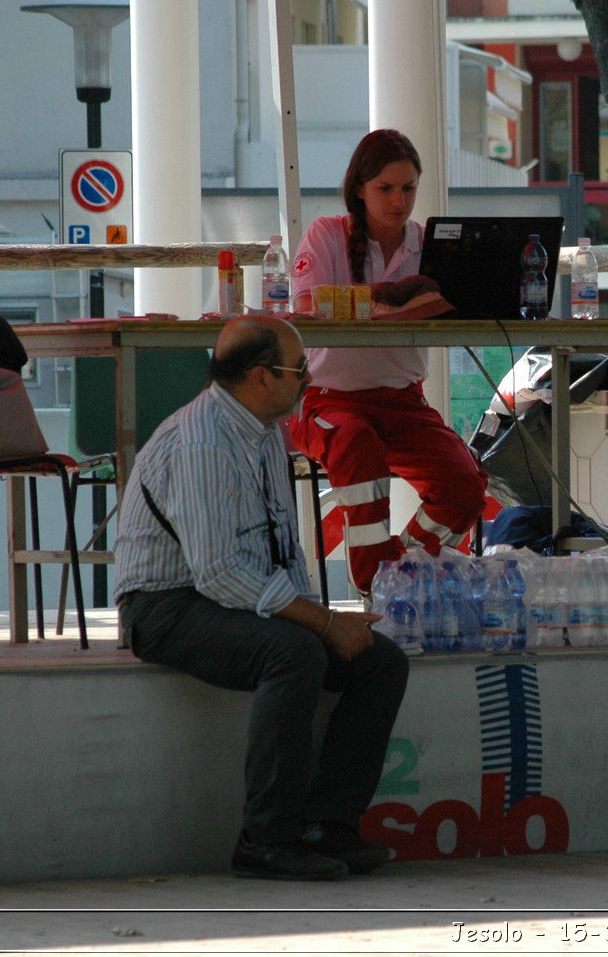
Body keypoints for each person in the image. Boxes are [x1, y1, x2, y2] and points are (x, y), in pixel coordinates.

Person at [115, 315, 409, 881]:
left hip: (221, 596)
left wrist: (325, 620)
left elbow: (283, 550)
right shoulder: (202, 440)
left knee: (381, 661)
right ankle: (266, 838)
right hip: (164, 605)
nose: (309, 379)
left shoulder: (266, 430)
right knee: (293, 653)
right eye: (299, 369)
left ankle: (330, 825)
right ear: (259, 378)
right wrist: (321, 625)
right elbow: (220, 573)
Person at [289, 128, 488, 593]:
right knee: (356, 442)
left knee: (464, 485)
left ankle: (396, 575)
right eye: (385, 188)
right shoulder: (326, 234)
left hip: (403, 402)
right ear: (358, 188)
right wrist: (392, 300)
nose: (399, 200)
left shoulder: (433, 246)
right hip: (324, 400)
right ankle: (373, 586)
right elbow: (303, 304)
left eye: (408, 188)